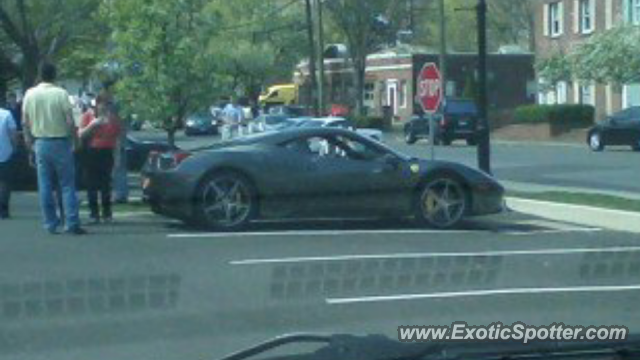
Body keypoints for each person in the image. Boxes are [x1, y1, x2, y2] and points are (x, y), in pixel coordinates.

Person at [22, 62, 86, 235]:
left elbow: (25, 121)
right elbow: (69, 120)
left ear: (40, 75)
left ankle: (50, 223)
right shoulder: (60, 93)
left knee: (44, 184)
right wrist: (76, 139)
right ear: (54, 75)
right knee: (66, 184)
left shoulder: (30, 94)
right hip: (60, 141)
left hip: (40, 142)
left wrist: (29, 143)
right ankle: (71, 222)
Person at [78, 95, 121, 224]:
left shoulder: (114, 119)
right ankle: (94, 213)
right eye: (103, 104)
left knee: (106, 185)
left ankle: (107, 213)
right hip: (91, 152)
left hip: (107, 153)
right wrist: (93, 124)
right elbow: (80, 134)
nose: (105, 107)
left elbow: (117, 140)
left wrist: (117, 157)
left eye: (108, 104)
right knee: (91, 185)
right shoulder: (88, 116)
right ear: (97, 104)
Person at [0, 106, 18, 219]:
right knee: (5, 183)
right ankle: (3, 209)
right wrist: (15, 148)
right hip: (4, 153)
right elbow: (13, 134)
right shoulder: (6, 114)